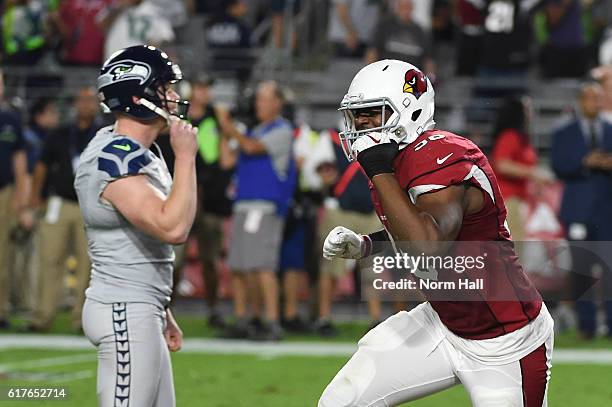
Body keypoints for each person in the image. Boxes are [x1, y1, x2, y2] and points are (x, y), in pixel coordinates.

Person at [318, 60, 554, 406]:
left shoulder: (440, 155)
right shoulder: (395, 160)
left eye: (373, 113)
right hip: (443, 322)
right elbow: (420, 230)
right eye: (357, 115)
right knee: (341, 400)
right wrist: (366, 246)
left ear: (409, 112)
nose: (362, 125)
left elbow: (428, 249)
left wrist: (378, 170)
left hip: (505, 341)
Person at [75, 45, 197, 406]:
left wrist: (163, 309)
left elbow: (144, 241)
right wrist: (186, 158)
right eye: (165, 88)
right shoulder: (115, 158)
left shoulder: (140, 152)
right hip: (123, 307)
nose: (174, 97)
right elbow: (171, 229)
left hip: (141, 307)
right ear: (138, 94)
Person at [219, 80, 297, 340]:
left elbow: (251, 148)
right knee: (239, 266)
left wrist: (228, 126)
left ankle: (271, 321)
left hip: (264, 207)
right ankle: (244, 320)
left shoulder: (282, 130)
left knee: (262, 266)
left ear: (277, 103)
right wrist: (225, 131)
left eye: (264, 99)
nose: (258, 104)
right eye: (258, 99)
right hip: (243, 204)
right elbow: (226, 160)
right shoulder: (254, 130)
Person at [23, 87, 100, 332]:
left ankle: (82, 320)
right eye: (82, 99)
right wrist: (36, 198)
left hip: (90, 206)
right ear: (75, 103)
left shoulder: (104, 134)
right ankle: (42, 316)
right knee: (49, 260)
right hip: (60, 202)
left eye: (90, 100)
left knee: (88, 266)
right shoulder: (60, 134)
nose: (86, 104)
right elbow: (42, 167)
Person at [551, 83, 612, 340]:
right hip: (578, 211)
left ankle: (610, 325)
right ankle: (586, 326)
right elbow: (558, 166)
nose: (594, 103)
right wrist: (585, 162)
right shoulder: (564, 133)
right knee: (581, 270)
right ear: (580, 101)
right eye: (589, 98)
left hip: (607, 210)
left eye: (598, 98)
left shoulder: (610, 130)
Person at [490, 96, 551, 248]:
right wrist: (533, 173)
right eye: (527, 109)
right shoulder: (510, 136)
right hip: (507, 198)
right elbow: (502, 164)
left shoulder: (518, 137)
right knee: (515, 245)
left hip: (515, 197)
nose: (530, 113)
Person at [0, 68, 30, 329]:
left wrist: (22, 199)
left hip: (3, 192)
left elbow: (20, 162)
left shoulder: (10, 119)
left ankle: (1, 310)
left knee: (2, 255)